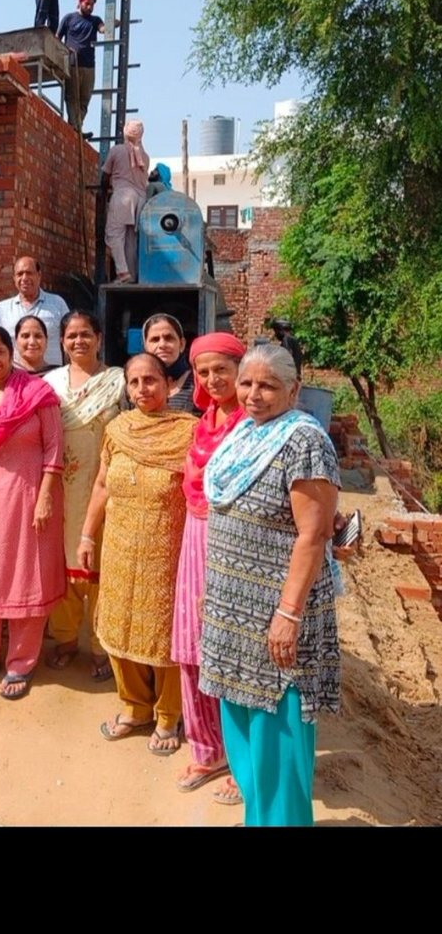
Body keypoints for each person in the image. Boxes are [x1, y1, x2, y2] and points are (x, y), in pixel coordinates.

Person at [199, 343, 340, 826]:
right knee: (242, 734)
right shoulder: (244, 431)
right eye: (247, 383)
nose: (254, 395)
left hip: (277, 617)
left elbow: (314, 533)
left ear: (294, 390)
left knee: (277, 738)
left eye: (268, 386)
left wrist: (288, 615)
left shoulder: (303, 440)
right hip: (233, 612)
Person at [80, 352, 196, 754]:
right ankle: (134, 707)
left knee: (164, 634)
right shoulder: (117, 430)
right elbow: (100, 485)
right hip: (120, 546)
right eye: (134, 382)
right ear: (126, 389)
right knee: (117, 624)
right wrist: (87, 536)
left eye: (151, 380)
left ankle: (168, 715)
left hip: (168, 549)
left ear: (169, 385)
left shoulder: (189, 432)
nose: (143, 389)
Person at [0, 325, 65, 700]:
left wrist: (45, 496)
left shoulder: (39, 394)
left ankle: (21, 663)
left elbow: (54, 449)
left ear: (12, 353)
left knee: (26, 575)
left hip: (29, 496)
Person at [171, 332, 247, 804]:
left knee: (230, 650)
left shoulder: (251, 424)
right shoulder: (203, 422)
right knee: (191, 645)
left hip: (232, 541)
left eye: (223, 369)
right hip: (194, 534)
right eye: (204, 372)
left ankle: (242, 763)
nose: (213, 379)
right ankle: (207, 747)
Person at [44, 311, 125, 680]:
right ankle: (64, 639)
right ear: (62, 342)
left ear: (99, 337)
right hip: (61, 488)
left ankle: (100, 645)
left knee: (103, 568)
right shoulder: (50, 383)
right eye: (71, 336)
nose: (79, 341)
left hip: (106, 488)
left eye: (85, 334)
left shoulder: (118, 382)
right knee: (64, 564)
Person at [0, 257, 70, 367]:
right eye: (20, 274)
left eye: (29, 273)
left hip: (51, 377)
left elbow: (69, 338)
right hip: (15, 379)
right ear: (14, 278)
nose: (24, 278)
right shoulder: (2, 308)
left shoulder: (57, 303)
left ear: (39, 275)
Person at [103, 119, 150, 283]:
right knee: (131, 240)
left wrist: (103, 194)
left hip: (123, 196)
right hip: (140, 199)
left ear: (125, 132)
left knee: (114, 235)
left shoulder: (116, 151)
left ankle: (122, 272)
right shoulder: (145, 156)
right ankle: (131, 275)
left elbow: (105, 175)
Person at [57, 0, 106, 132]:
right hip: (73, 64)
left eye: (92, 4)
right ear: (80, 3)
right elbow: (57, 39)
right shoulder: (69, 18)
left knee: (84, 99)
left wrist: (111, 24)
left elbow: (102, 29)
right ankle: (75, 127)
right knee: (72, 97)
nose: (90, 7)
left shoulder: (95, 20)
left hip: (89, 66)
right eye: (87, 4)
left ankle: (76, 127)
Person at [142, 313, 197, 413]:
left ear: (182, 344)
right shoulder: (136, 384)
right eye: (155, 339)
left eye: (169, 338)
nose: (162, 344)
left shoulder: (199, 383)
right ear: (146, 346)